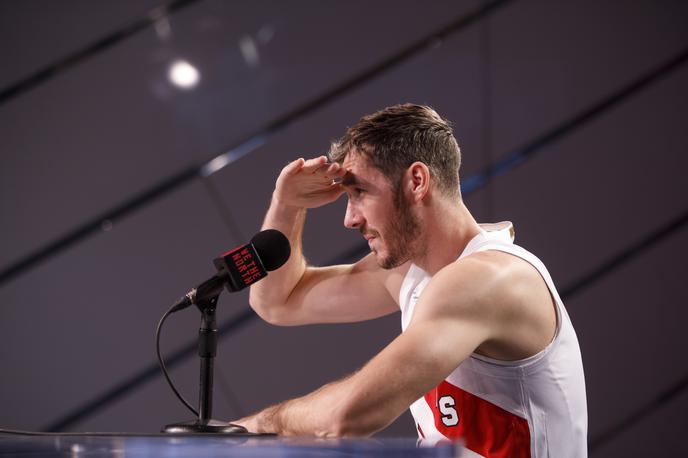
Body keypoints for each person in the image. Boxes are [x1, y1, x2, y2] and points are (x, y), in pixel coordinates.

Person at [234, 104, 587, 457]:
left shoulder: (489, 279)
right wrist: (287, 205)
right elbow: (275, 301)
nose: (349, 219)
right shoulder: (412, 273)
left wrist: (255, 428)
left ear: (417, 181)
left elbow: (345, 418)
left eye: (359, 193)